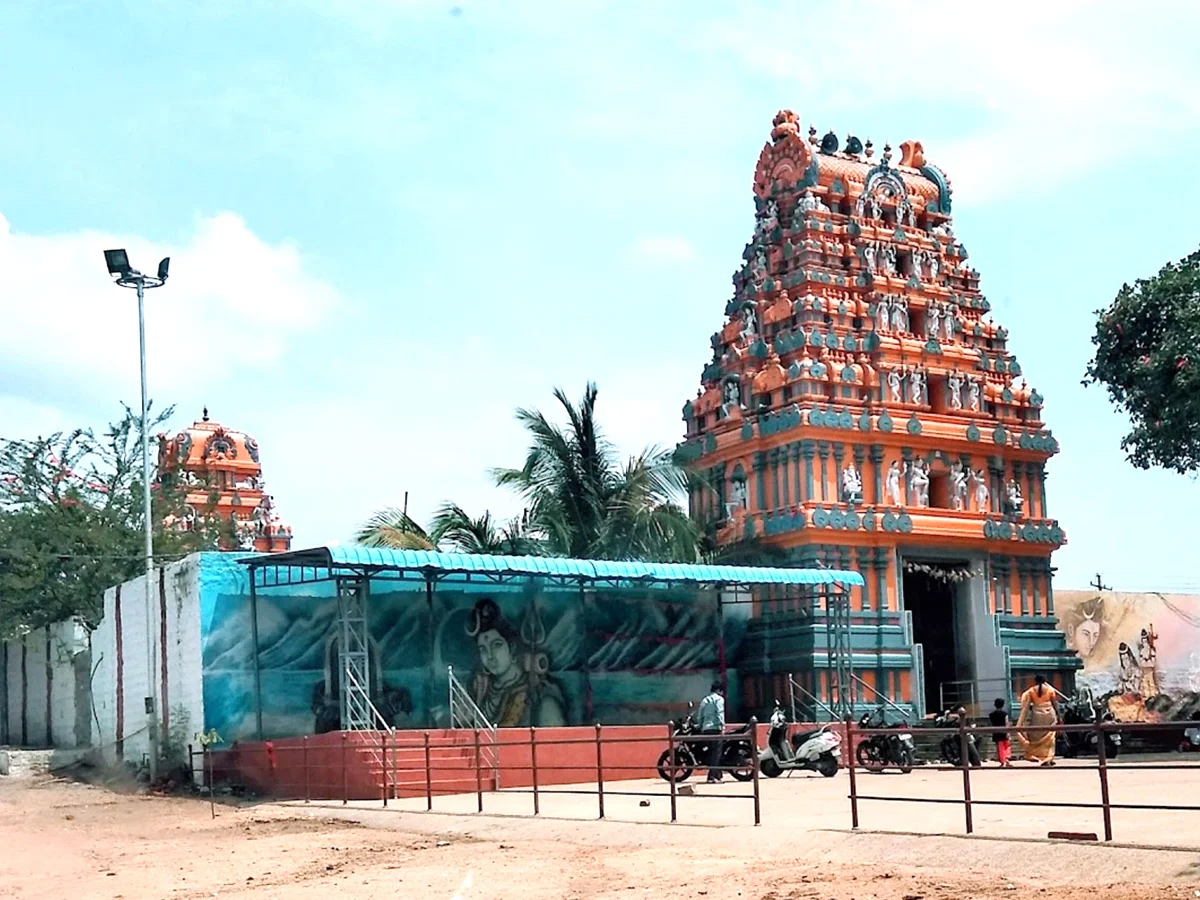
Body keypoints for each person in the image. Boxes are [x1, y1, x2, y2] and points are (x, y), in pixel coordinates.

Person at [467, 598, 567, 728]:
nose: (490, 656)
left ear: (512, 648)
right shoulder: (480, 688)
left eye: (497, 645)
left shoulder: (540, 693)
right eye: (483, 649)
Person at [1017, 674, 1061, 766]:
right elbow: (1055, 704)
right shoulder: (1050, 690)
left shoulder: (1031, 691)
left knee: (1037, 736)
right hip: (1050, 715)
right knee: (1050, 737)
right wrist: (1059, 716)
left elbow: (1026, 704)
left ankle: (1040, 756)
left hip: (1037, 715)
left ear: (1035, 681)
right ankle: (1049, 758)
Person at [696, 681, 726, 783]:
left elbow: (700, 716)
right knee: (716, 753)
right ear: (719, 690)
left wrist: (700, 727)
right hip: (715, 729)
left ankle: (717, 775)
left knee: (710, 753)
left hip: (705, 729)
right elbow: (720, 713)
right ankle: (711, 777)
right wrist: (722, 727)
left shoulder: (705, 700)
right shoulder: (719, 699)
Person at [989, 698, 1013, 767]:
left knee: (1000, 748)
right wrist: (1008, 733)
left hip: (996, 732)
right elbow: (1006, 723)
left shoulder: (991, 715)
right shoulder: (1005, 714)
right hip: (1004, 731)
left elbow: (991, 723)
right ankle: (1006, 760)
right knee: (1006, 746)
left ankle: (1002, 761)